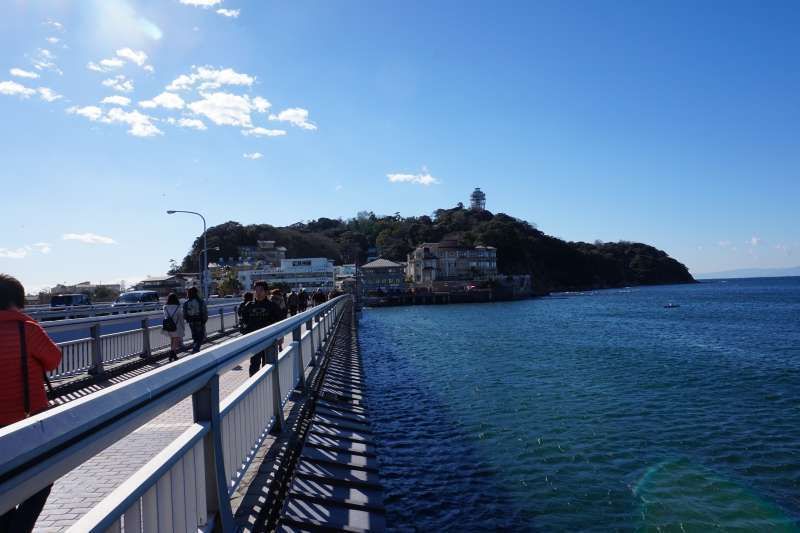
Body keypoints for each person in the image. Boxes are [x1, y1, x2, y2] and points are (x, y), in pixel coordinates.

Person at [0, 274, 62, 533]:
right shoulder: (28, 329)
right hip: (29, 423)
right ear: (18, 300)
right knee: (40, 480)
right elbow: (53, 360)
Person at [240, 281, 281, 376]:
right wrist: (245, 333)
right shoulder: (249, 306)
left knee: (268, 364)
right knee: (254, 364)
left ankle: (268, 385)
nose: (258, 292)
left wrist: (280, 337)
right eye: (256, 290)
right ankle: (253, 386)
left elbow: (279, 322)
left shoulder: (272, 306)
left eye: (261, 290)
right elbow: (243, 321)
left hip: (269, 340)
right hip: (254, 340)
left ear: (266, 292)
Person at [182, 287, 208, 353]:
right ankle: (196, 349)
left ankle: (195, 348)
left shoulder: (186, 303)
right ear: (196, 293)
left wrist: (188, 319)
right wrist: (204, 320)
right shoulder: (200, 301)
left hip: (191, 321)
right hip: (199, 321)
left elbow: (184, 314)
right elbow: (204, 311)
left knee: (195, 336)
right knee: (201, 336)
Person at [161, 293, 185, 362]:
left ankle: (174, 355)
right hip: (176, 326)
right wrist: (183, 327)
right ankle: (172, 353)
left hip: (169, 326)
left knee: (172, 340)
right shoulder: (178, 307)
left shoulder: (165, 307)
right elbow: (181, 318)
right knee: (176, 339)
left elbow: (166, 317)